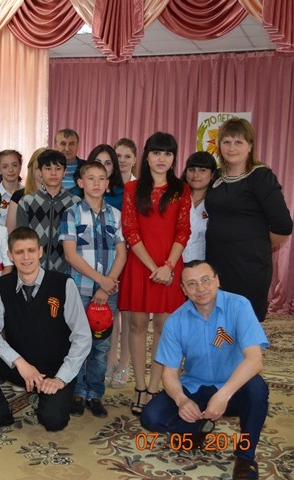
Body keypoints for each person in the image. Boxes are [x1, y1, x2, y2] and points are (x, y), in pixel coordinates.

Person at [141, 260, 269, 480]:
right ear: (183, 289)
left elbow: (255, 360)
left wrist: (224, 395)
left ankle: (246, 457)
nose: (200, 288)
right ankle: (199, 426)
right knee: (152, 417)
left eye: (205, 280)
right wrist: (182, 400)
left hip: (235, 387)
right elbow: (169, 373)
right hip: (196, 386)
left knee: (257, 391)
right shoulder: (175, 321)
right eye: (191, 284)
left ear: (217, 281)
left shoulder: (239, 305)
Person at [0, 227, 91, 434]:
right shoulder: (3, 285)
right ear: (10, 255)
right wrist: (20, 363)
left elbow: (82, 337)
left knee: (53, 421)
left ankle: (47, 396)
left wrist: (60, 378)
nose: (26, 257)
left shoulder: (63, 284)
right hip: (21, 367)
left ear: (40, 251)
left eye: (31, 250)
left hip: (54, 370)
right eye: (19, 252)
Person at [118, 132, 191, 415]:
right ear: (146, 156)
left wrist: (169, 266)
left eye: (168, 153)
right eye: (157, 152)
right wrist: (153, 268)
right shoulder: (132, 189)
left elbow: (183, 230)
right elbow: (130, 230)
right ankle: (139, 386)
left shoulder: (181, 190)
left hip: (170, 265)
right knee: (136, 325)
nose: (162, 159)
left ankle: (153, 387)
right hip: (140, 265)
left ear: (174, 158)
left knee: (164, 327)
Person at [205, 118, 292, 322]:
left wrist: (255, 244)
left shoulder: (260, 176)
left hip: (248, 267)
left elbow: (283, 226)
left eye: (238, 142)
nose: (232, 148)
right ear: (219, 145)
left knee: (243, 324)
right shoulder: (217, 176)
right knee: (220, 323)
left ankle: (246, 347)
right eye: (226, 142)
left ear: (250, 146)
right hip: (216, 263)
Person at [60, 162, 127, 418]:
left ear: (108, 184)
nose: (96, 183)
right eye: (91, 178)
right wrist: (101, 281)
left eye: (102, 178)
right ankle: (77, 391)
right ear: (80, 183)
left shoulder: (115, 215)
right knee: (78, 341)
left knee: (101, 345)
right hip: (80, 289)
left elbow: (121, 253)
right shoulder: (72, 214)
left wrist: (107, 285)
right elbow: (70, 255)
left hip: (107, 292)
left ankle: (95, 393)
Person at [106, 138, 138, 389]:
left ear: (135, 159)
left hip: (134, 256)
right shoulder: (109, 187)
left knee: (128, 315)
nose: (122, 160)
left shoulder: (139, 188)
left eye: (127, 156)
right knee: (111, 313)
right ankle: (109, 362)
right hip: (110, 257)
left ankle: (124, 364)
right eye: (118, 156)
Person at [16, 149, 80, 274]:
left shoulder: (75, 203)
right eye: (48, 168)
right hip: (33, 271)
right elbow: (21, 239)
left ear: (65, 172)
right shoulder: (26, 202)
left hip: (65, 271)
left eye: (58, 168)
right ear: (40, 172)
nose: (53, 173)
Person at [181, 151, 217, 263]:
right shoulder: (175, 198)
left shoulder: (218, 203)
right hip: (174, 264)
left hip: (204, 265)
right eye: (192, 170)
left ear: (212, 174)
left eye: (202, 170)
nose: (196, 175)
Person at [6, 147, 45, 233]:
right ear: (31, 169)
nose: (43, 172)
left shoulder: (61, 198)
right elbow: (10, 233)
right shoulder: (18, 196)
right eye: (38, 168)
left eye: (47, 168)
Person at [85, 144, 124, 210]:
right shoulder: (77, 193)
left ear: (114, 168)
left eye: (108, 163)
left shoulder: (123, 196)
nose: (102, 167)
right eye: (98, 162)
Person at [0, 149, 23, 227]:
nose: (11, 170)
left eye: (14, 165)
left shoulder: (28, 194)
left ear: (20, 167)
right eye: (5, 167)